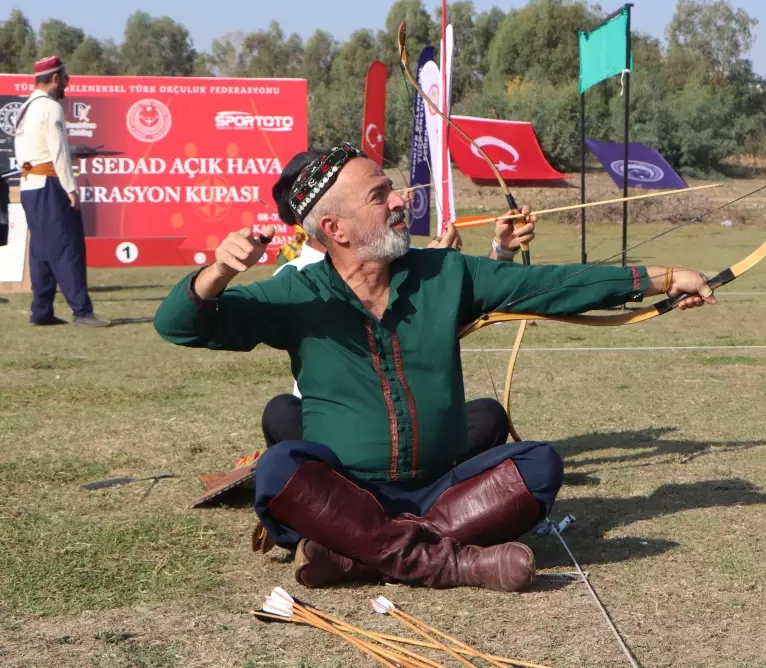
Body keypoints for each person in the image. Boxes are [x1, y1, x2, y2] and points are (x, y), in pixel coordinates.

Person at [152, 143, 715, 593]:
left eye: (391, 188)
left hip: (441, 491)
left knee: (539, 464)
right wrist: (216, 274)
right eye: (380, 195)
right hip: (347, 493)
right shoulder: (297, 294)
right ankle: (452, 564)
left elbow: (549, 285)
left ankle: (358, 554)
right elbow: (179, 325)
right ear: (336, 230)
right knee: (279, 469)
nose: (399, 200)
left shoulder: (446, 273)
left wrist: (662, 279)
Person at [261, 150, 537, 458]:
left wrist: (501, 251)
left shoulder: (400, 256)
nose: (398, 202)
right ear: (330, 218)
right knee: (282, 413)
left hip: (411, 422)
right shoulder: (294, 277)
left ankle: (409, 476)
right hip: (337, 426)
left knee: (488, 416)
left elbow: (469, 302)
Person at [14, 56, 108, 327]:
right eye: (65, 77)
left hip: (31, 185)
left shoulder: (27, 107)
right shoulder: (51, 108)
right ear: (55, 79)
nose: (68, 81)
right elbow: (57, 154)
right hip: (50, 185)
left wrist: (75, 150)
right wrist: (71, 188)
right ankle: (82, 311)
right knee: (68, 247)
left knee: (42, 251)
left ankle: (41, 311)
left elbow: (40, 150)